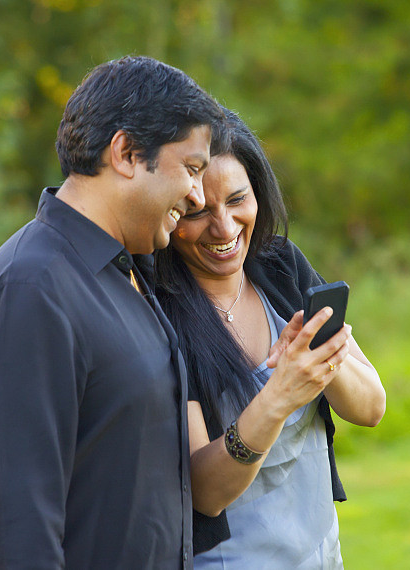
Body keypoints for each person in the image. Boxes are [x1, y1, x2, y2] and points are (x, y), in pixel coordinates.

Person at [0, 56, 225, 569]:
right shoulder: (30, 288)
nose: (198, 195)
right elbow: (19, 532)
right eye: (191, 168)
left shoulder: (127, 272)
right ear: (127, 153)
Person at [155, 109, 386, 568]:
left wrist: (320, 360)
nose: (224, 228)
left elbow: (371, 408)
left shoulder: (279, 266)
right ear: (171, 211)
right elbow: (206, 492)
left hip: (322, 552)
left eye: (237, 199)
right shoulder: (161, 312)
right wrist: (280, 395)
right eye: (198, 211)